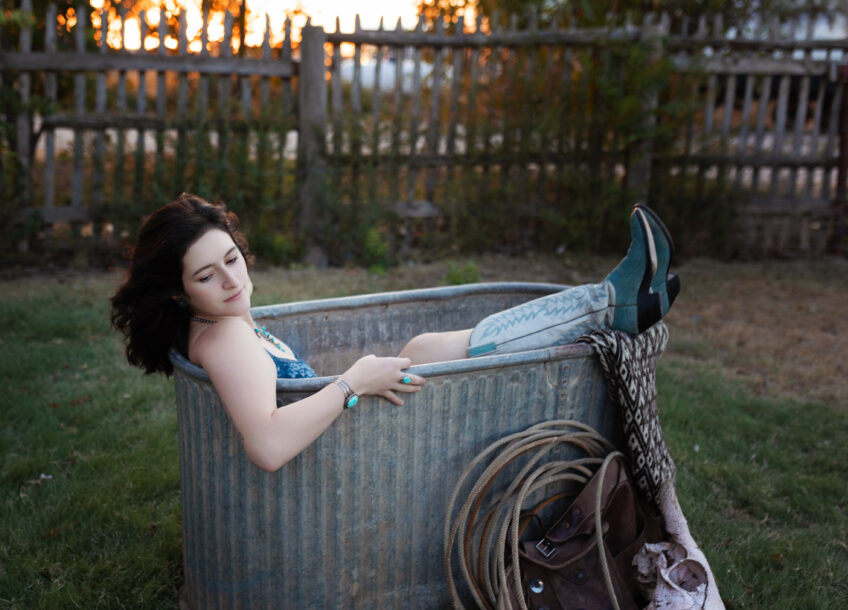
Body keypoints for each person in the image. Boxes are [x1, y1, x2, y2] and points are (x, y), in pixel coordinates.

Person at [110, 194, 679, 472]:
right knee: (425, 354)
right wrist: (353, 382)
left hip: (338, 437)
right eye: (208, 275)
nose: (233, 280)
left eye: (232, 259)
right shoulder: (227, 340)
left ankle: (609, 304)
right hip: (341, 465)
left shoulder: (211, 323)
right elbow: (266, 446)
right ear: (182, 292)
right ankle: (608, 303)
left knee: (421, 351)